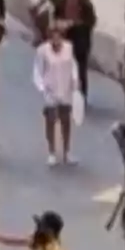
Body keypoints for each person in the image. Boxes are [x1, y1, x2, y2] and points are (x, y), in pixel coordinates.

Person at [33, 24, 80, 166]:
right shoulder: (42, 51)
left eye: (58, 35)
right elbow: (38, 70)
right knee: (51, 120)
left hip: (65, 89)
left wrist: (75, 81)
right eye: (53, 36)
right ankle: (52, 152)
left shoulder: (68, 48)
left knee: (66, 121)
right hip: (50, 90)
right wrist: (42, 87)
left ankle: (67, 152)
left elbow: (73, 66)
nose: (56, 39)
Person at [54, 0, 97, 102]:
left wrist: (80, 24)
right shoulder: (62, 1)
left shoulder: (84, 1)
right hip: (67, 37)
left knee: (80, 68)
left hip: (81, 38)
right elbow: (56, 18)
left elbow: (91, 20)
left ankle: (82, 95)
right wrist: (62, 25)